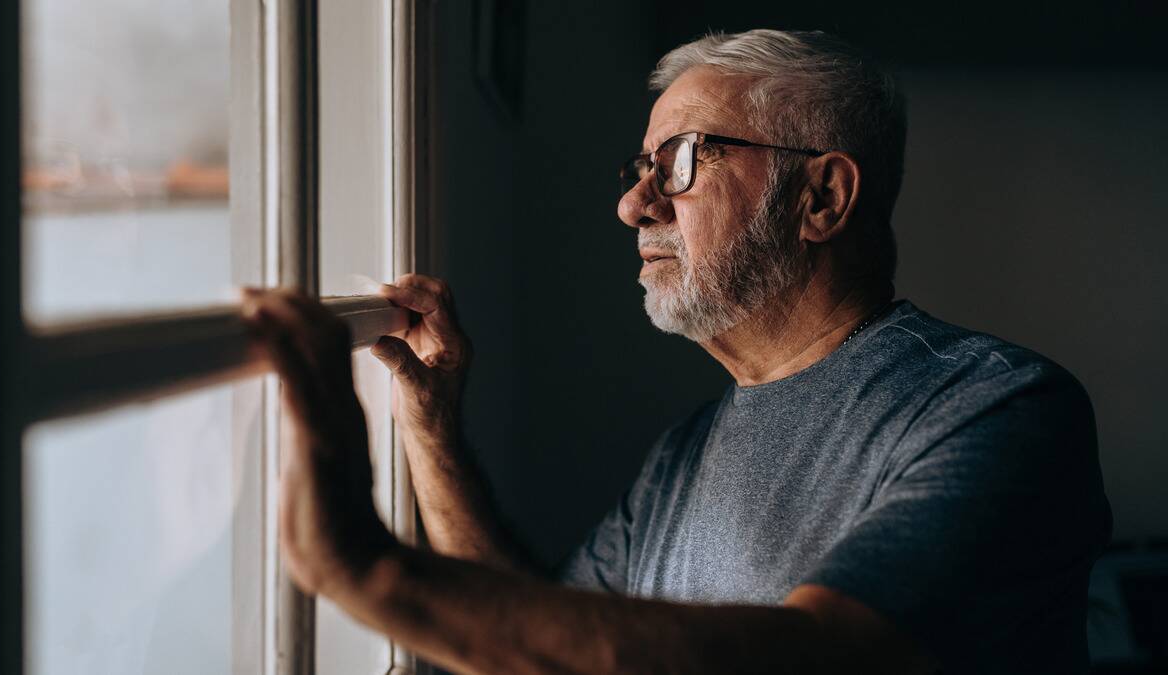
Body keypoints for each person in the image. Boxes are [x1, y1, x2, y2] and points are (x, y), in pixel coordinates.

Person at [241, 29, 1111, 674]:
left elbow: (821, 658)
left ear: (822, 197)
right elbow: (541, 645)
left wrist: (372, 572)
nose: (635, 206)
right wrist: (430, 427)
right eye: (641, 166)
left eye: (685, 160)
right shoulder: (682, 455)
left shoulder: (999, 409)